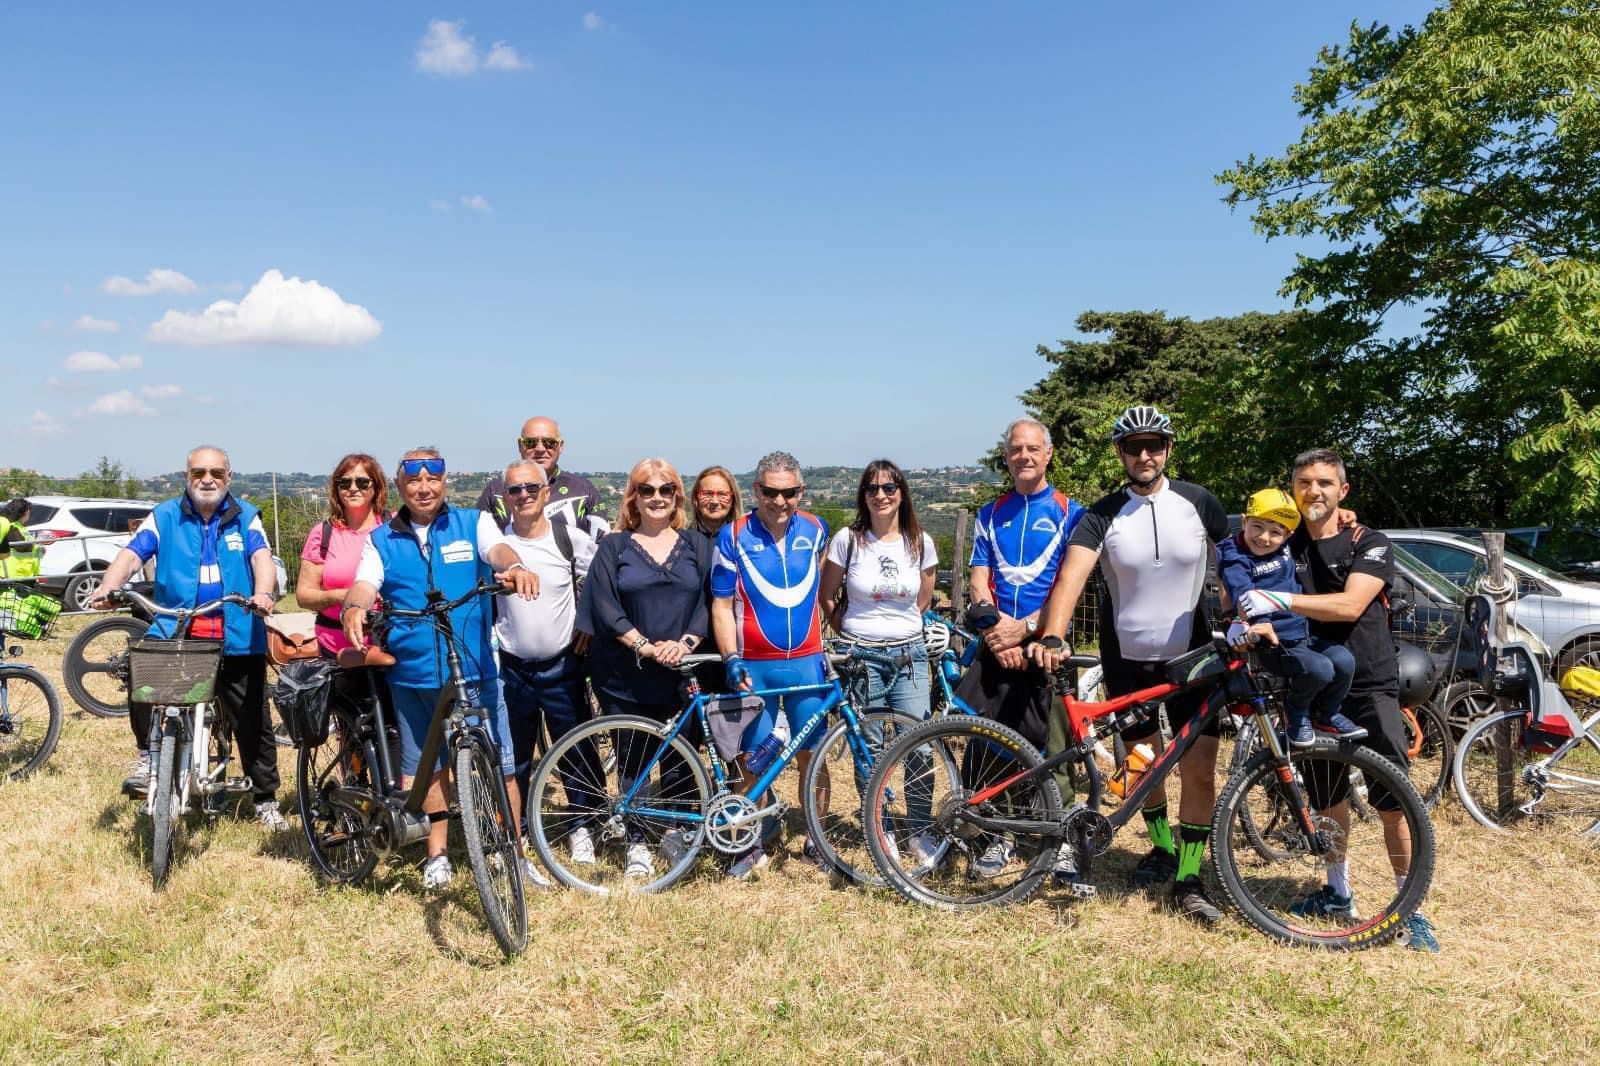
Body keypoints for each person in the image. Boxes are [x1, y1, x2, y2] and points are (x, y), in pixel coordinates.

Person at [1031, 405, 1230, 924]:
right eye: (1133, 446)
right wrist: (1053, 632)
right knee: (1144, 766)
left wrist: (1246, 617)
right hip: (1127, 658)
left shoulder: (1199, 502)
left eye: (1154, 445)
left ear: (1168, 449)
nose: (1145, 455)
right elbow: (1072, 577)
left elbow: (1238, 564)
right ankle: (1161, 847)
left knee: (1200, 771)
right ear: (1120, 452)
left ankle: (1190, 874)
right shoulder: (1102, 512)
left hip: (1194, 655)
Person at [1237, 448, 1437, 952]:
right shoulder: (1287, 538)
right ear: (1292, 489)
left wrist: (1280, 602)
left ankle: (1409, 907)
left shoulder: (1367, 539)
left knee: (1394, 803)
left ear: (1342, 490)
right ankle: (1337, 891)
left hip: (1368, 683)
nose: (1315, 492)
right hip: (1312, 686)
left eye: (1325, 483)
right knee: (1327, 800)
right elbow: (1238, 545)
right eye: (1304, 482)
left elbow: (1350, 604)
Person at [339, 447, 545, 890]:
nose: (424, 488)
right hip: (413, 675)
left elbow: (499, 550)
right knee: (428, 768)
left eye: (432, 479)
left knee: (503, 766)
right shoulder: (382, 540)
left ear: (444, 482)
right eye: (414, 481)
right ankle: (438, 854)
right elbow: (364, 582)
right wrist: (354, 608)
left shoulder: (473, 523)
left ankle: (516, 853)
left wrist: (517, 567)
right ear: (400, 487)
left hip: (474, 670)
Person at [88, 447, 287, 831]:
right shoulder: (164, 516)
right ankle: (149, 755)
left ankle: (265, 799)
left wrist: (264, 593)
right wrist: (109, 586)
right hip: (176, 628)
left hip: (236, 631)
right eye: (199, 472)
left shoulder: (246, 516)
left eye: (215, 472)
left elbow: (261, 557)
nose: (207, 479)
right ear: (187, 476)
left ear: (229, 477)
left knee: (252, 720)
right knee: (143, 675)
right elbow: (132, 554)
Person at [959, 418, 1085, 885]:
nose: (1024, 456)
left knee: (1056, 748)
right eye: (1016, 449)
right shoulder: (990, 513)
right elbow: (977, 579)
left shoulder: (1073, 512)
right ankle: (1001, 834)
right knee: (995, 744)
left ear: (1048, 454)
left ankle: (1064, 839)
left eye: (1033, 448)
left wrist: (1029, 630)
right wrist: (996, 633)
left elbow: (1069, 584)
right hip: (997, 645)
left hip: (1047, 646)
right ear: (1006, 456)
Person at [579, 458, 711, 879]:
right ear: (633, 497)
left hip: (682, 669)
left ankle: (673, 830)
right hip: (625, 671)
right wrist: (643, 645)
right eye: (647, 489)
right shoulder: (614, 547)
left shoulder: (696, 546)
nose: (657, 497)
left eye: (665, 489)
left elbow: (711, 601)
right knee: (631, 757)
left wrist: (685, 643)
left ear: (677, 495)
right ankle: (636, 838)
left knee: (680, 756)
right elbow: (603, 605)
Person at [710, 450, 829, 878]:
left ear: (801, 491)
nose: (780, 502)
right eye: (771, 492)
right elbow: (721, 604)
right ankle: (750, 842)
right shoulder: (734, 534)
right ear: (756, 490)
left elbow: (822, 590)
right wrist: (730, 657)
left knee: (813, 757)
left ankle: (816, 838)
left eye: (790, 492)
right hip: (754, 667)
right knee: (752, 760)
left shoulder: (817, 530)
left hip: (807, 664)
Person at [817, 459, 939, 865]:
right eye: (872, 488)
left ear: (902, 492)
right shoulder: (847, 540)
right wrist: (849, 629)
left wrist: (899, 626)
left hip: (910, 656)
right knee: (868, 748)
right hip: (860, 658)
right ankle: (880, 826)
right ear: (862, 496)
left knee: (919, 746)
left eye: (889, 487)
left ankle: (919, 829)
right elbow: (827, 596)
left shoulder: (920, 541)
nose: (881, 495)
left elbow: (923, 599)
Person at [491, 458, 604, 870]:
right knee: (514, 756)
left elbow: (599, 579)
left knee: (576, 749)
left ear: (546, 493)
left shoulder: (568, 537)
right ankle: (514, 832)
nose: (523, 496)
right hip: (513, 668)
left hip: (562, 664)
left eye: (531, 488)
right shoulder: (496, 545)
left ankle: (582, 826)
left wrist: (588, 624)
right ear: (505, 498)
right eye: (514, 490)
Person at [1217, 487, 1363, 747]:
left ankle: (1326, 714)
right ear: (1243, 521)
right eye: (1257, 527)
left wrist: (1338, 512)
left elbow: (1317, 520)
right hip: (1274, 641)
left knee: (1345, 661)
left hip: (1302, 632)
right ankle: (1295, 714)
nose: (1264, 537)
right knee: (1320, 669)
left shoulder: (1287, 545)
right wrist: (1256, 623)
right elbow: (1242, 591)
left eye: (1275, 532)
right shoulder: (1235, 555)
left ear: (1288, 535)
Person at [296, 454, 388, 657]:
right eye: (344, 483)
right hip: (335, 647)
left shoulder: (393, 529)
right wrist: (342, 596)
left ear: (376, 487)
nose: (353, 488)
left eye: (363, 482)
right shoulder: (323, 534)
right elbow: (303, 595)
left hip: (389, 645)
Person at [478, 416, 608, 537]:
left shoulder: (583, 490)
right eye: (530, 442)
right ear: (520, 445)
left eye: (549, 443)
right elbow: (478, 542)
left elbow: (604, 546)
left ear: (560, 446)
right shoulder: (495, 491)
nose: (540, 449)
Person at [689, 466, 740, 540]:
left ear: (733, 499)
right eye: (708, 494)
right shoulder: (682, 540)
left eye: (722, 494)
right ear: (696, 498)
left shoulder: (745, 539)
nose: (714, 501)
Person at [0, 498, 41, 582]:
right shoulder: (11, 526)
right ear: (26, 512)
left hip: (24, 573)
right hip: (12, 574)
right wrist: (34, 544)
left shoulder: (20, 527)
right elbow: (21, 546)